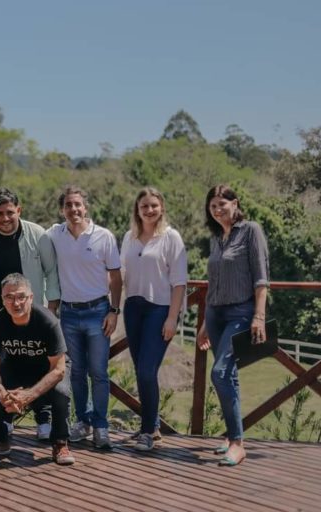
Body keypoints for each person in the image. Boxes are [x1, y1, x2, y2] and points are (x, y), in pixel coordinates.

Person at [0, 187, 59, 440]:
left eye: (10, 212)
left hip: (32, 312)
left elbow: (51, 272)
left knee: (40, 364)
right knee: (2, 367)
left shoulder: (38, 235)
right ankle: (5, 416)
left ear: (19, 210)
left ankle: (44, 416)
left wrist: (50, 312)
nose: (5, 218)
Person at [196, 184, 269, 467]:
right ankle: (230, 437)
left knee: (220, 373)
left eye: (222, 205)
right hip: (215, 314)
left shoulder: (251, 231)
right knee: (229, 377)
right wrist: (204, 322)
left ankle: (238, 444)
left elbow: (261, 278)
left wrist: (258, 316)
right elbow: (213, 283)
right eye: (212, 206)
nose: (217, 210)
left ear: (235, 203)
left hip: (241, 311)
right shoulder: (216, 238)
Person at [47, 185, 122, 449]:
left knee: (99, 372)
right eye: (68, 205)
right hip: (68, 313)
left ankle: (101, 426)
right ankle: (83, 421)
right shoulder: (55, 234)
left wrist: (114, 310)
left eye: (77, 204)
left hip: (98, 311)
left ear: (85, 207)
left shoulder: (104, 236)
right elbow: (31, 239)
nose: (73, 209)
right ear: (62, 209)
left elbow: (115, 277)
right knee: (76, 372)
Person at [0, 274, 74, 465]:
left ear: (31, 297)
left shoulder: (47, 321)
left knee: (61, 392)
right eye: (9, 297)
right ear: (2, 299)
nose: (16, 303)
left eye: (21, 297)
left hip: (48, 370)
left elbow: (58, 370)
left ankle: (60, 442)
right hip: (15, 367)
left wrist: (27, 396)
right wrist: (2, 393)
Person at [120, 187, 187, 451]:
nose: (149, 210)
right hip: (133, 307)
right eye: (144, 206)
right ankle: (151, 427)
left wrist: (172, 319)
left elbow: (179, 283)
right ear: (137, 210)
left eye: (154, 206)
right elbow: (120, 274)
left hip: (159, 309)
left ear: (162, 208)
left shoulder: (171, 238)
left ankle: (149, 430)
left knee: (148, 370)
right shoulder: (129, 237)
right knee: (141, 371)